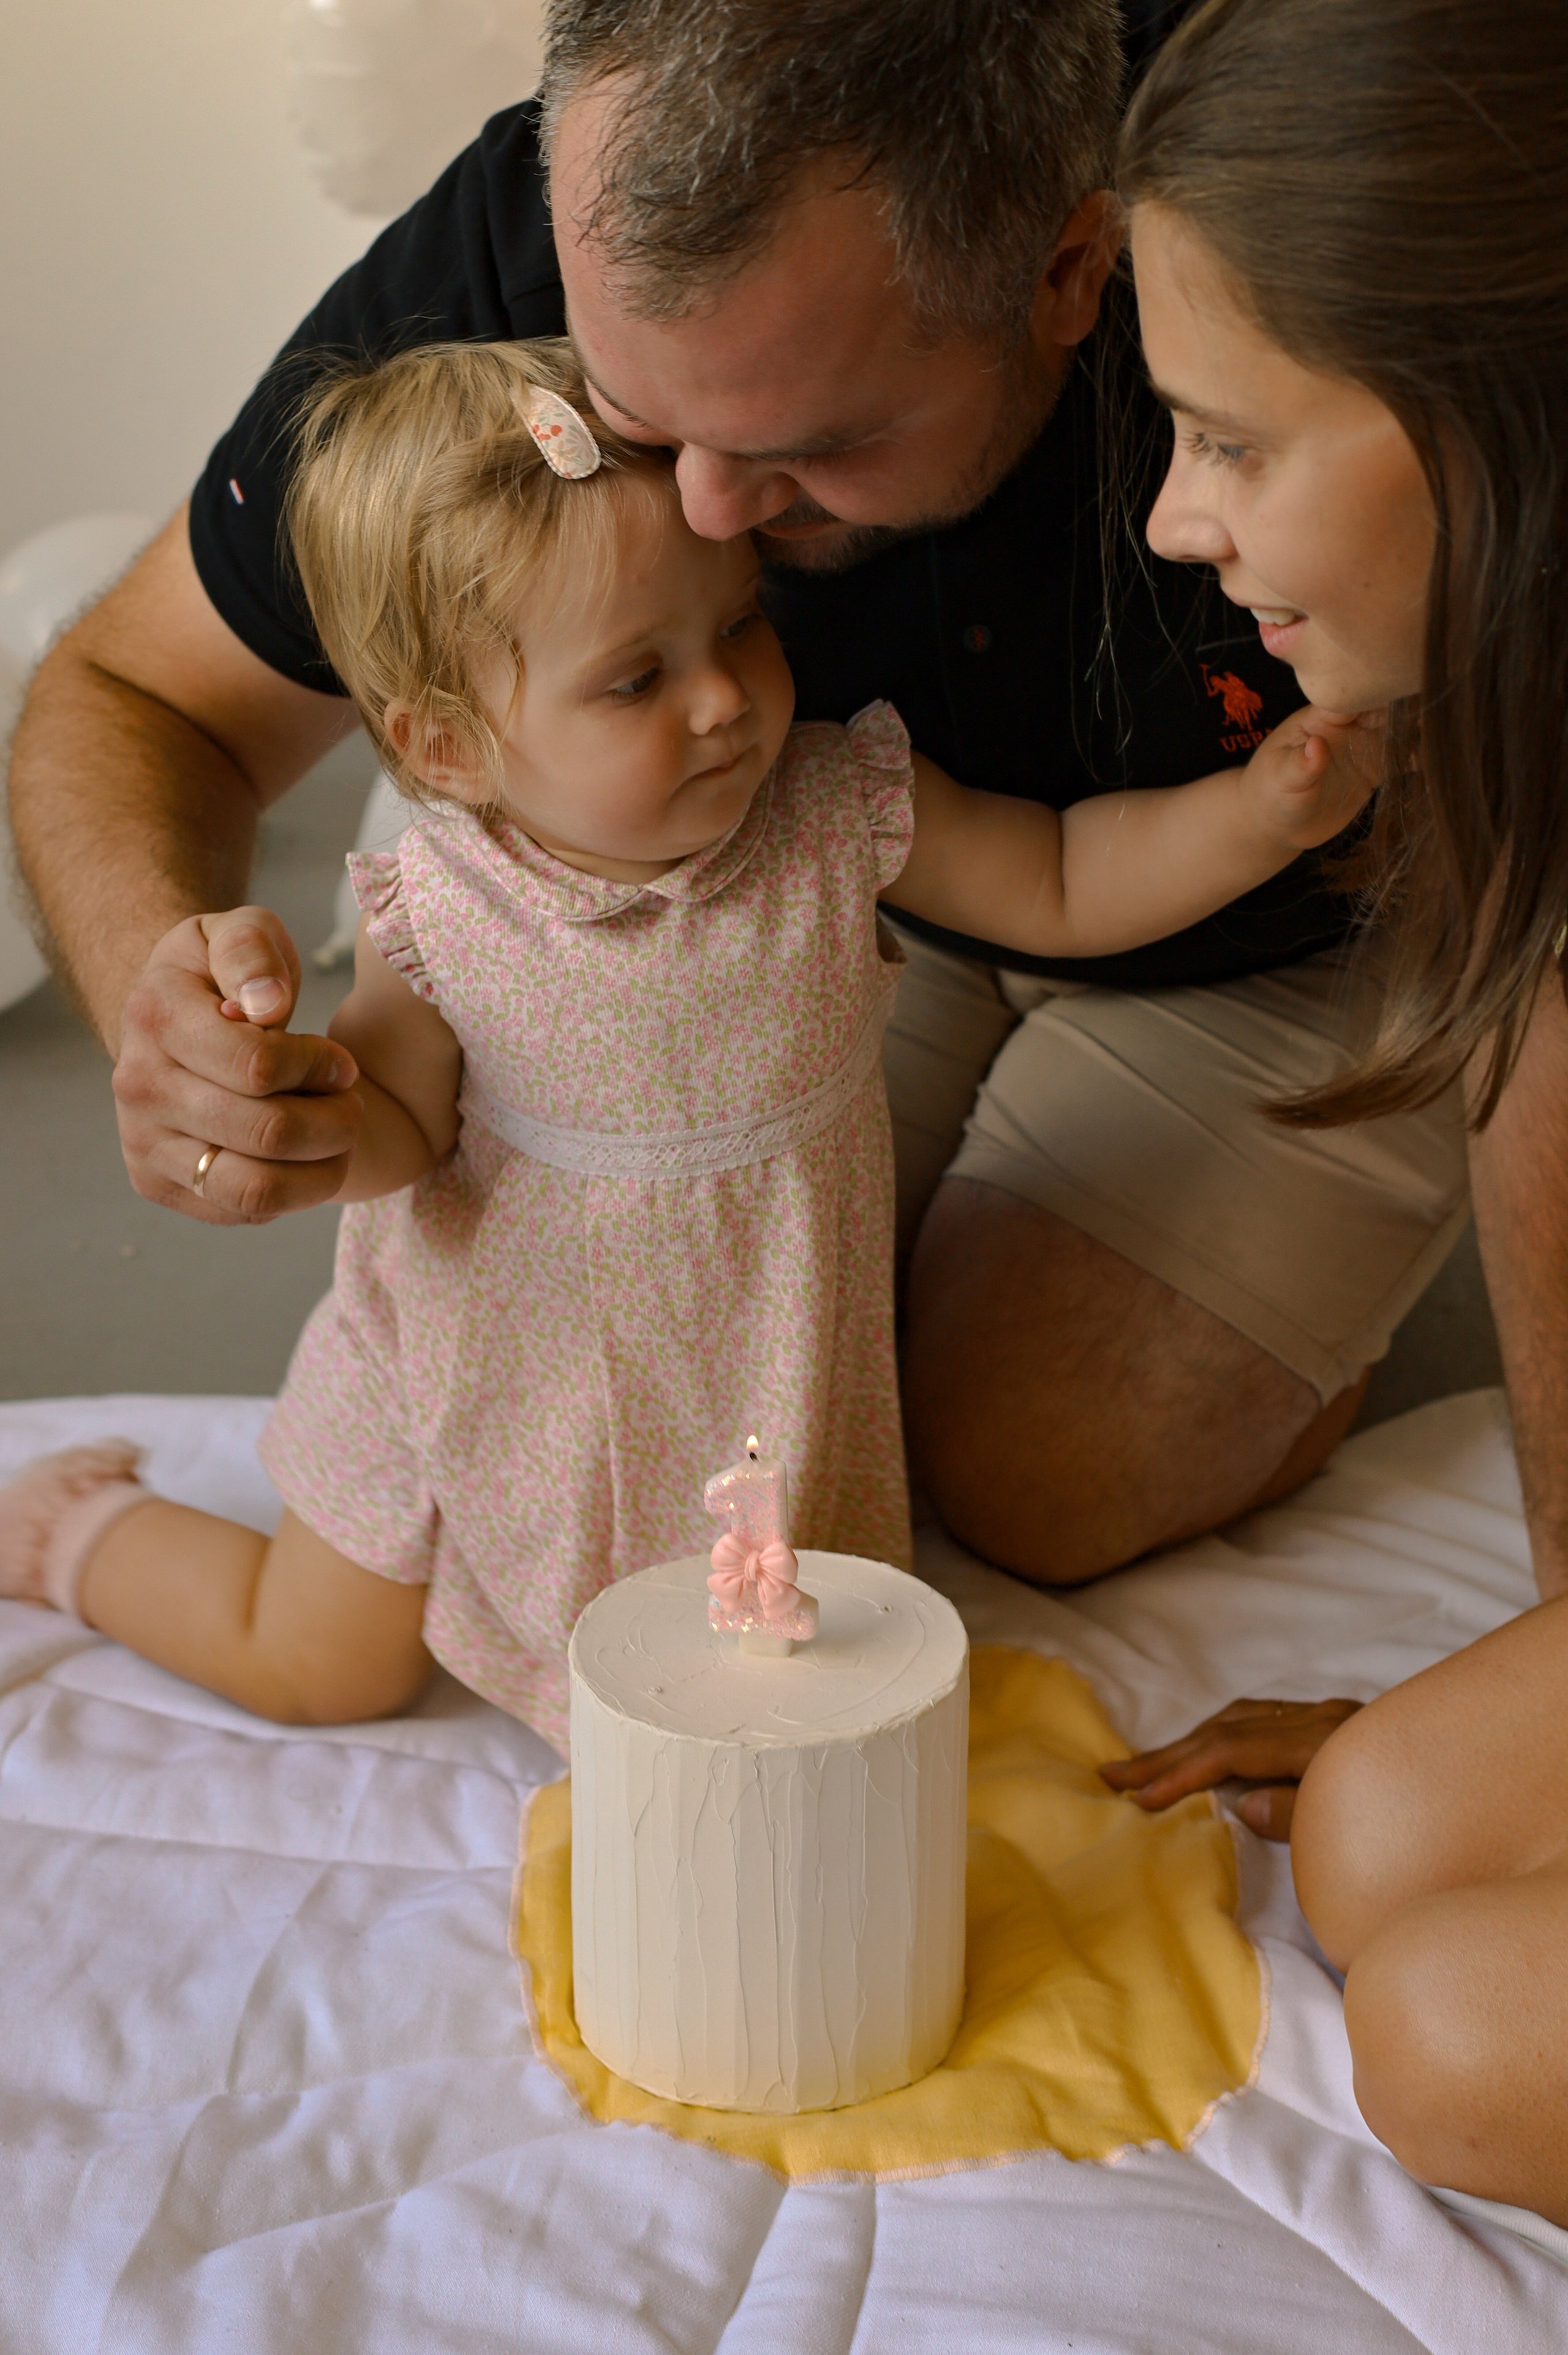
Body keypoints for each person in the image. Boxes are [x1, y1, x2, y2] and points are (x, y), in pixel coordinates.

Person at [6, 0, 1475, 1589]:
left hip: (1279, 919)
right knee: (677, 1344)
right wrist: (184, 1018)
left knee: (1029, 1465)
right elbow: (138, 693)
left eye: (808, 445)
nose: (706, 503)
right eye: (644, 420)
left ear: (1071, 272)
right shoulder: (538, 237)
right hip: (806, 905)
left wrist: (1300, 804)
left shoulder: (1304, 198)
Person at [0, 339, 1367, 1741]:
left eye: (735, 626)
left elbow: (1063, 880)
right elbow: (397, 1131)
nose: (721, 698)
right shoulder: (445, 911)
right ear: (451, 747)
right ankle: (77, 1535)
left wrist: (1251, 819)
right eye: (632, 680)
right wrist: (294, 1112)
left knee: (765, 1679)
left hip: (755, 1366)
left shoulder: (831, 808)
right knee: (315, 1662)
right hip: (487, 1370)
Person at [1095, 0, 1568, 2226]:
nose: (1179, 518)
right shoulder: (1511, 783)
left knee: (1457, 2040)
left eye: (1229, 439)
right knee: (1380, 1834)